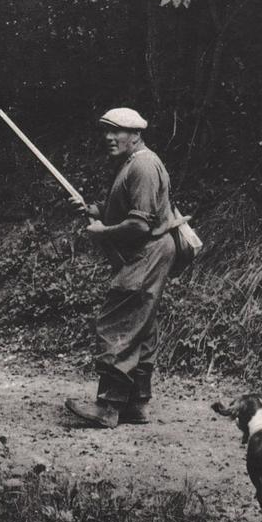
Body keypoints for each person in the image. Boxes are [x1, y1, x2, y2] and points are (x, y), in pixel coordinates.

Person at [65, 107, 178, 429]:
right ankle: (136, 404)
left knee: (118, 321)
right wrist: (94, 210)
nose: (109, 138)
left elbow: (140, 225)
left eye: (117, 132)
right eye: (106, 131)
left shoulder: (142, 165)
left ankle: (110, 406)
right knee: (142, 324)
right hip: (153, 251)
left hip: (148, 251)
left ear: (136, 134)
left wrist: (102, 231)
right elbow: (131, 210)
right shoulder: (135, 162)